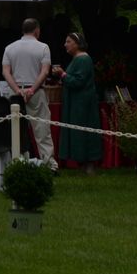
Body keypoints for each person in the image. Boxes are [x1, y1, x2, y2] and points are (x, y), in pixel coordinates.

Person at [2, 19, 56, 168]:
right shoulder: (43, 47)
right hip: (36, 91)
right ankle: (49, 163)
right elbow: (45, 71)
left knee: (16, 129)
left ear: (22, 30)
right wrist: (32, 89)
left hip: (15, 92)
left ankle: (18, 161)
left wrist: (17, 90)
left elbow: (6, 72)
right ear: (37, 30)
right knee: (42, 129)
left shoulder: (9, 48)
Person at [55, 32, 102, 174]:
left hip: (82, 105)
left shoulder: (83, 60)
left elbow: (78, 81)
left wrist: (62, 75)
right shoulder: (77, 59)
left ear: (77, 43)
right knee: (78, 132)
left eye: (68, 41)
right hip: (76, 103)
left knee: (84, 132)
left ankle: (89, 164)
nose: (65, 45)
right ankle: (82, 163)